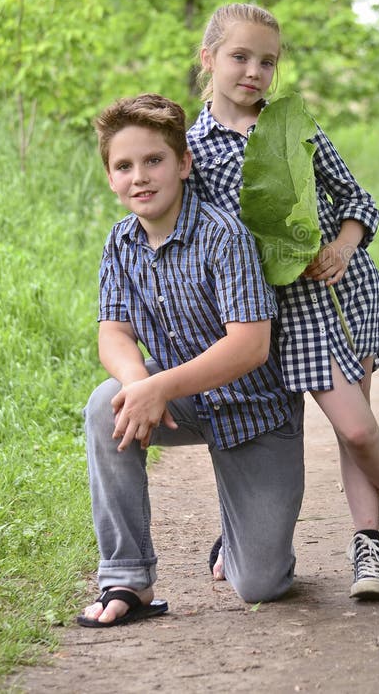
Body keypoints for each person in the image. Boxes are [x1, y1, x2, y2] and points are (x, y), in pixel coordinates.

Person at [187, 3, 379, 600]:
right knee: (263, 431)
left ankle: (370, 548)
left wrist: (343, 245)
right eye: (240, 56)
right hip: (270, 317)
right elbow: (207, 244)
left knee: (356, 431)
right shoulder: (192, 153)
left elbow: (359, 199)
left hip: (337, 298)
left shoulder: (291, 125)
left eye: (267, 61)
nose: (254, 71)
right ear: (208, 59)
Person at [77, 93, 304, 628]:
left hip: (258, 412)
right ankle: (127, 578)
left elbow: (250, 345)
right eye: (124, 166)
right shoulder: (121, 242)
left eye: (153, 161)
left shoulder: (224, 235)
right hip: (186, 401)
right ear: (110, 178)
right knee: (106, 405)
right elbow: (113, 332)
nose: (140, 177)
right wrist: (140, 384)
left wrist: (161, 387)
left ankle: (241, 528)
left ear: (183, 163)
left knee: (260, 584)